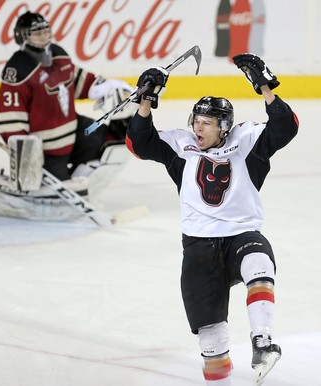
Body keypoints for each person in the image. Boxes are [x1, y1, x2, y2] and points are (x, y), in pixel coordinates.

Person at [125, 53, 299, 385]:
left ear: (224, 126)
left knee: (259, 261)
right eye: (196, 120)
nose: (198, 127)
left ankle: (263, 341)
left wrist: (264, 86)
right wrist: (146, 100)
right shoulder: (180, 145)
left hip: (241, 233)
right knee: (211, 338)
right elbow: (138, 143)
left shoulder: (247, 141)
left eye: (206, 122)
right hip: (198, 245)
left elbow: (286, 127)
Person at [0, 10, 136, 196]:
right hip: (46, 151)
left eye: (45, 31)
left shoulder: (58, 55)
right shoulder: (18, 69)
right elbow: (8, 116)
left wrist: (105, 86)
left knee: (115, 137)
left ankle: (80, 182)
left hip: (76, 132)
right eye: (37, 33)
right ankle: (65, 185)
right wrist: (27, 152)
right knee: (52, 194)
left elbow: (77, 81)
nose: (44, 37)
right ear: (22, 37)